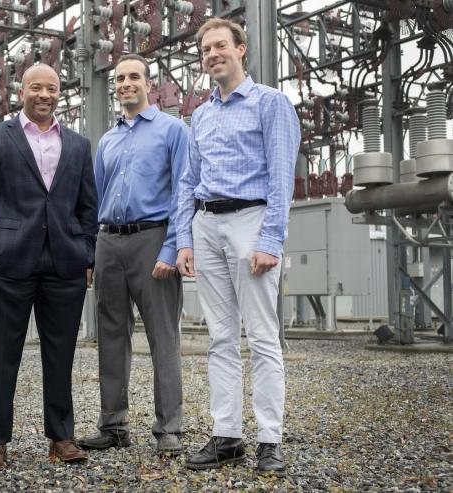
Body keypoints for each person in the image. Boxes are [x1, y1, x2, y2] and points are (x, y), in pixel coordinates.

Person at [175, 18, 300, 476]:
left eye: (220, 46)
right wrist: (184, 238)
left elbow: (282, 177)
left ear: (241, 49)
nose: (212, 54)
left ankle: (270, 439)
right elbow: (188, 181)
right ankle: (227, 435)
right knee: (221, 338)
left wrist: (271, 238)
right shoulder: (201, 115)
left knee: (263, 337)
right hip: (207, 223)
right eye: (206, 49)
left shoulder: (270, 104)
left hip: (251, 220)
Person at [0, 63, 98, 472]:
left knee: (60, 354)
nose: (45, 94)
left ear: (61, 93)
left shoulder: (77, 145)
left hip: (64, 262)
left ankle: (61, 437)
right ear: (20, 92)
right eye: (36, 87)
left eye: (53, 88)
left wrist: (86, 253)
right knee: (4, 354)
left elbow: (88, 206)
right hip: (10, 260)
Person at [78, 54, 188, 456]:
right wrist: (91, 252)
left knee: (163, 337)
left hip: (152, 239)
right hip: (109, 242)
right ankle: (113, 425)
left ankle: (169, 428)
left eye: (133, 77)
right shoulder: (107, 141)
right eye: (120, 78)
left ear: (149, 83)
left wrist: (173, 247)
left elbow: (182, 194)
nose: (126, 83)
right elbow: (94, 201)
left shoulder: (173, 131)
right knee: (110, 336)